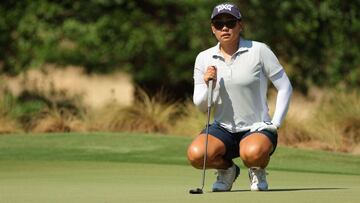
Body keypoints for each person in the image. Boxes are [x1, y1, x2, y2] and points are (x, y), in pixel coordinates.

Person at [187, 3, 292, 192]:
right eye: (219, 24)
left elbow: (285, 87)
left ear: (240, 25)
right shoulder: (204, 58)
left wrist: (275, 124)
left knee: (251, 153)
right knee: (196, 155)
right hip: (223, 128)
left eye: (230, 22)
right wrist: (211, 84)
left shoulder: (259, 50)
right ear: (213, 29)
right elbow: (202, 106)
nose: (225, 27)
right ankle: (227, 170)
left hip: (256, 127)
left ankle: (256, 169)